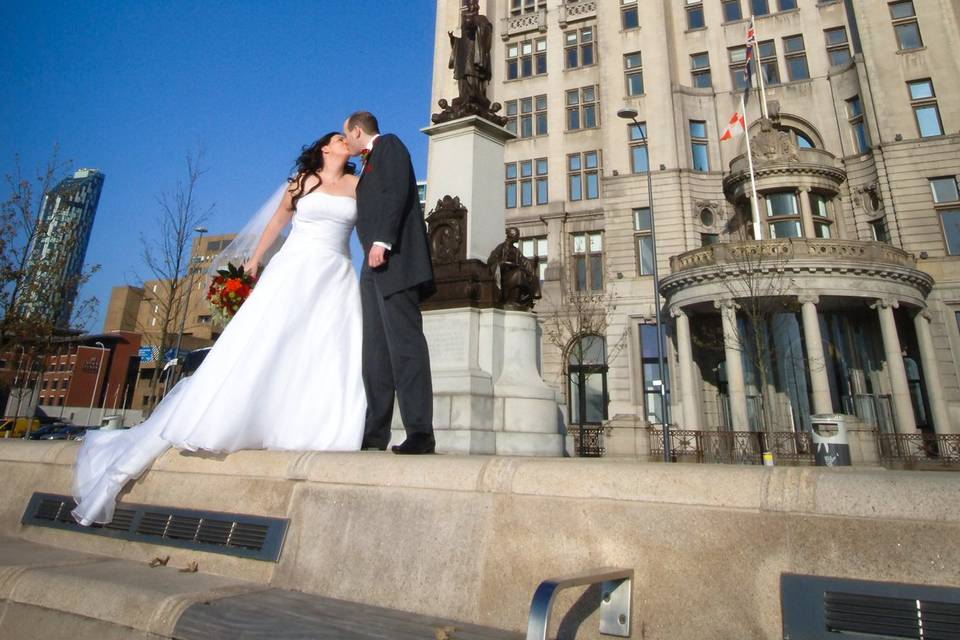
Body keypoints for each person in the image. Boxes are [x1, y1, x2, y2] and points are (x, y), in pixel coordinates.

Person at [71, 132, 366, 526]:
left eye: (349, 138)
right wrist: (256, 260)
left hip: (336, 273)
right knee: (268, 344)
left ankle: (311, 425)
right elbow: (278, 221)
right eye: (338, 138)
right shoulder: (301, 182)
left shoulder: (357, 184)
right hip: (295, 268)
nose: (346, 141)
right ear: (326, 147)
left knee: (324, 350)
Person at [342, 111, 436, 454]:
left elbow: (397, 190)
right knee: (376, 354)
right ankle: (374, 433)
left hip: (395, 262)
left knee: (406, 349)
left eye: (346, 135)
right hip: (373, 268)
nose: (345, 142)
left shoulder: (390, 145)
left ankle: (421, 433)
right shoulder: (367, 164)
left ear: (356, 131)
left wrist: (382, 240)